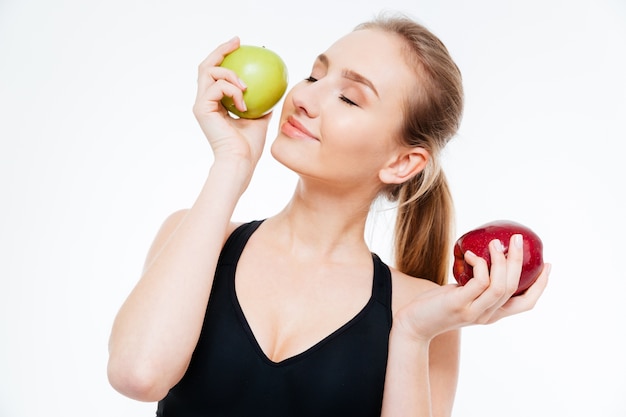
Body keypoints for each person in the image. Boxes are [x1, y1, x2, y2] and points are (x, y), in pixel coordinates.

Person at [107, 13, 550, 417]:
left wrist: (413, 335)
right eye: (314, 75)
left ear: (401, 163)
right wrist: (231, 164)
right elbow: (138, 375)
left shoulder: (420, 309)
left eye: (349, 98)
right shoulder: (198, 237)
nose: (303, 97)